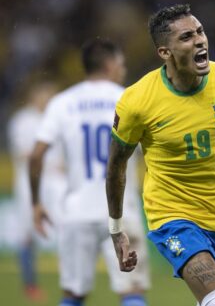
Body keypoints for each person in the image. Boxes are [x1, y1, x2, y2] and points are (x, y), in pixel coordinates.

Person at [106, 4, 215, 306]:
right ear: (165, 52)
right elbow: (116, 166)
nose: (200, 40)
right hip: (171, 216)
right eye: (187, 37)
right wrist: (116, 229)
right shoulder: (137, 101)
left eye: (200, 32)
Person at [29, 39, 151, 306]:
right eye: (121, 64)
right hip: (121, 209)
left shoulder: (63, 102)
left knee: (73, 295)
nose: (123, 70)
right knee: (132, 291)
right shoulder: (130, 98)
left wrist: (36, 203)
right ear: (110, 65)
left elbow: (36, 155)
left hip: (76, 212)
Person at [7, 83, 67, 302]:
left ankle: (68, 280)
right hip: (28, 183)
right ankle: (30, 283)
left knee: (64, 229)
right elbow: (23, 153)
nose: (48, 99)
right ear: (34, 96)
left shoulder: (57, 118)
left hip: (57, 182)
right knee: (27, 233)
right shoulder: (23, 120)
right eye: (45, 94)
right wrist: (49, 165)